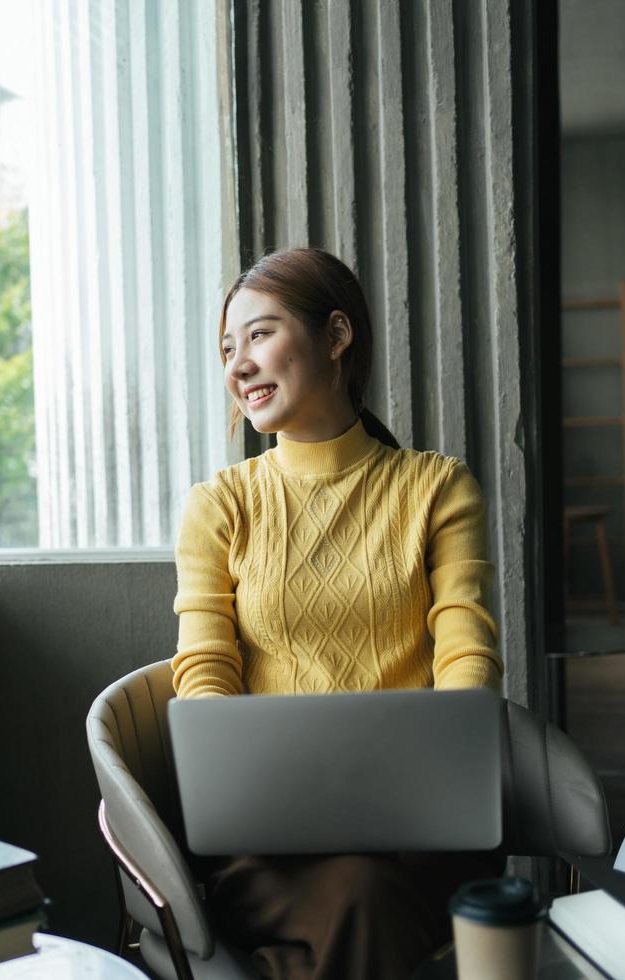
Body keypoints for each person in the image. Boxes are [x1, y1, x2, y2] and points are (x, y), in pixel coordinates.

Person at [170, 247, 504, 979]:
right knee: (360, 901)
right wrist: (231, 787)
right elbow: (205, 672)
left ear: (338, 334)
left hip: (419, 828)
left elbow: (466, 655)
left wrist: (444, 779)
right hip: (264, 839)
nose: (238, 365)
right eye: (228, 348)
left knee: (360, 899)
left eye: (260, 335)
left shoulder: (436, 489)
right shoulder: (219, 506)